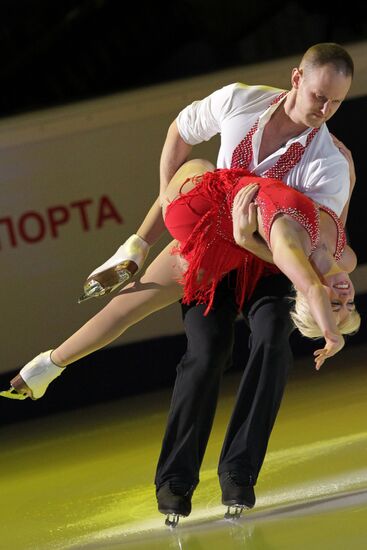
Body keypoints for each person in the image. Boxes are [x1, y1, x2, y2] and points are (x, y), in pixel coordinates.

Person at [1, 43, 357, 522]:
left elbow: (307, 253)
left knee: (272, 339)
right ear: (296, 78)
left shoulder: (329, 161)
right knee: (202, 349)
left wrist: (322, 288)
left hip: (268, 261)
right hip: (211, 240)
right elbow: (179, 133)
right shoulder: (239, 100)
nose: (325, 110)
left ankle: (238, 475)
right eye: (319, 96)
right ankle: (171, 481)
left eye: (336, 102)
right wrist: (175, 223)